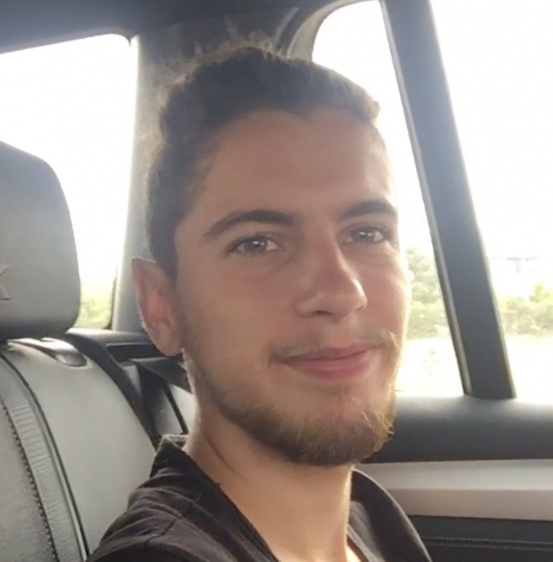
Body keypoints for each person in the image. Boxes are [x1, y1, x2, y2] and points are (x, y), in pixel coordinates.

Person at [88, 46, 432, 562]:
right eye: (257, 243)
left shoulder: (367, 513)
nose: (342, 293)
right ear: (161, 306)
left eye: (367, 233)